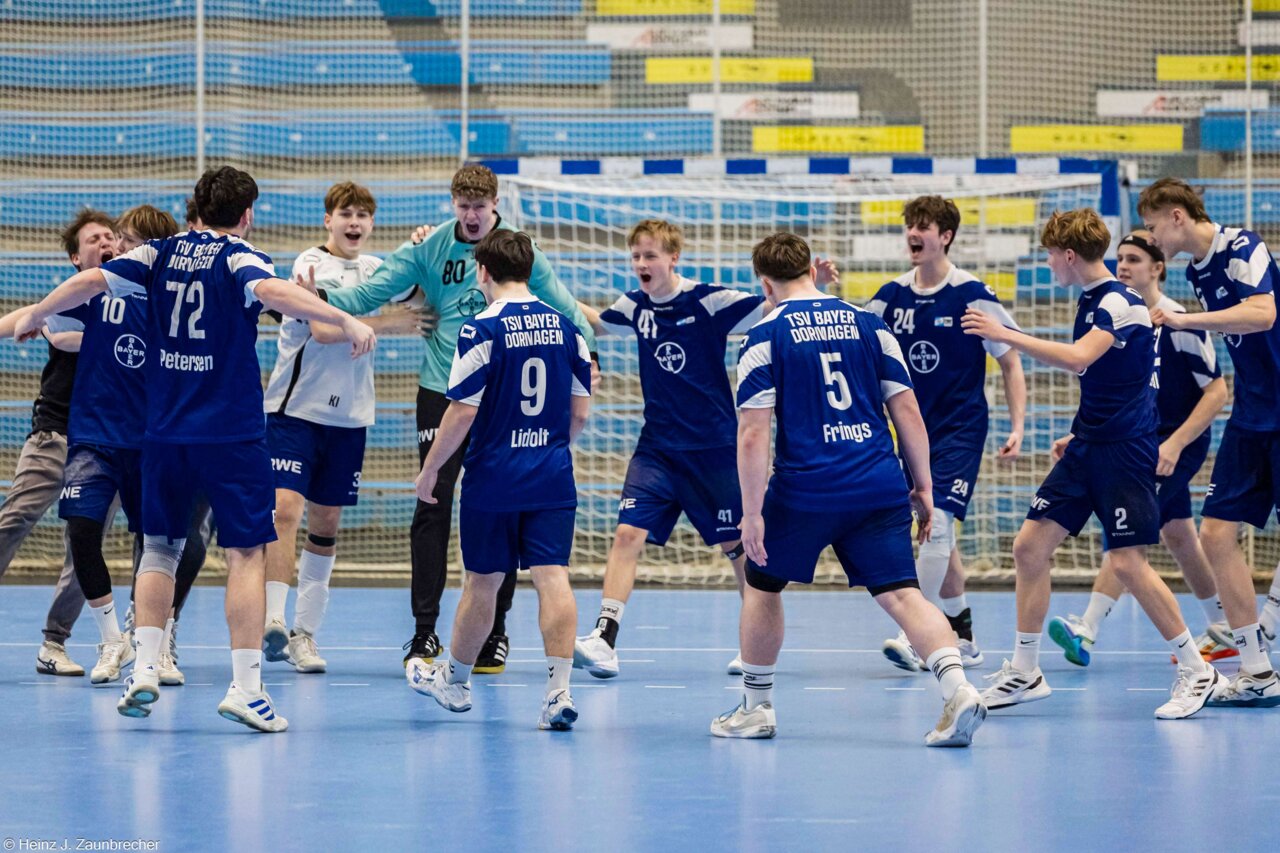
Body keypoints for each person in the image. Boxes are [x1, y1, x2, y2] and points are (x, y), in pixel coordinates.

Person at [14, 166, 377, 732]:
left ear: (196, 208)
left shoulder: (155, 254)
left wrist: (37, 314)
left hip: (163, 434)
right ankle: (247, 689)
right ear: (247, 214)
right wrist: (344, 319)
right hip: (230, 435)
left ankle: (144, 668)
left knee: (159, 549)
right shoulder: (239, 256)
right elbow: (274, 292)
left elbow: (89, 283)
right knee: (246, 554)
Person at [319, 164, 596, 673]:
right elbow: (369, 292)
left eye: (480, 207)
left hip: (500, 398)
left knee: (505, 508)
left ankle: (495, 633)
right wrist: (314, 298)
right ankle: (424, 631)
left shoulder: (517, 251)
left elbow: (566, 308)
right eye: (464, 206)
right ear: (452, 205)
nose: (472, 216)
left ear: (495, 206)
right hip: (443, 391)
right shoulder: (429, 247)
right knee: (431, 504)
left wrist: (590, 356)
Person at [712, 232, 986, 746]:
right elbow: (907, 410)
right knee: (902, 594)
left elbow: (752, 433)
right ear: (811, 271)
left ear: (765, 284)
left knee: (763, 584)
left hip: (806, 489)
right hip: (878, 482)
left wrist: (751, 513)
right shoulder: (871, 324)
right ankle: (959, 690)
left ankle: (756, 707)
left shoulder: (764, 334)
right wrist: (924, 487)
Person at [962, 208, 1220, 719]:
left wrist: (1005, 333)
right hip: (1090, 446)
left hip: (1124, 452)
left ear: (1068, 255)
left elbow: (1080, 358)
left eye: (1049, 255)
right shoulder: (1092, 298)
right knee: (1029, 547)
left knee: (1127, 563)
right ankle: (1025, 670)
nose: (1047, 264)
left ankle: (1197, 669)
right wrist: (1078, 432)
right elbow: (1112, 381)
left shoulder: (1120, 302)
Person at [571, 219, 785, 679]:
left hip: (713, 449)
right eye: (636, 256)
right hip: (658, 449)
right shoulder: (634, 305)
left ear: (673, 258)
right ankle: (604, 639)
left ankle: (755, 646)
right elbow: (601, 324)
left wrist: (814, 284)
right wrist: (550, 294)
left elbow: (769, 306)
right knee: (627, 533)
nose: (641, 264)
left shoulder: (707, 300)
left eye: (650, 255)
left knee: (737, 545)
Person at [406, 230, 592, 730]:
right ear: (528, 271)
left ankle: (456, 682)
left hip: (494, 477)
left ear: (483, 272)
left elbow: (461, 411)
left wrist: (431, 470)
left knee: (483, 581)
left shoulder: (481, 328)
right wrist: (551, 448)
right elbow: (580, 410)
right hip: (551, 474)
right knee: (552, 575)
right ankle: (558, 692)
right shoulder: (568, 327)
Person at [262, 181, 425, 673]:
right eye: (345, 213)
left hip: (349, 418)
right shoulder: (309, 264)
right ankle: (273, 619)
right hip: (295, 411)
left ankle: (304, 635)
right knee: (284, 510)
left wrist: (422, 248)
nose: (354, 222)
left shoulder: (377, 269)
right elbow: (324, 329)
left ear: (371, 223)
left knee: (326, 525)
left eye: (362, 215)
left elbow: (424, 296)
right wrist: (391, 323)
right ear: (328, 220)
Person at [1047, 230, 1231, 666]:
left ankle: (1087, 628)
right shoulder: (1121, 315)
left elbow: (1218, 392)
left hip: (1173, 441)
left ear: (1158, 268)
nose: (1124, 266)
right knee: (1179, 534)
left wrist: (1175, 444)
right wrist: (1082, 435)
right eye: (1121, 258)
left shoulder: (1178, 321)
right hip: (1138, 434)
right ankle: (1222, 625)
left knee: (1126, 542)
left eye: (1134, 259)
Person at [866, 196, 1025, 670]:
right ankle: (963, 637)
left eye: (924, 226)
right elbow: (853, 343)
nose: (913, 233)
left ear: (946, 236)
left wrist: (1018, 425)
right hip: (910, 433)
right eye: (910, 225)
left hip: (960, 429)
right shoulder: (889, 297)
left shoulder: (971, 294)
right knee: (934, 533)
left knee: (938, 524)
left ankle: (913, 634)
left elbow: (1010, 360)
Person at [1139, 178, 1280, 706]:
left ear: (1177, 216)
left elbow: (1263, 313)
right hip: (1252, 412)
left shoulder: (1243, 246)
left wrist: (1186, 318)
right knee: (1216, 534)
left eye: (1153, 226)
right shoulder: (1197, 270)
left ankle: (1270, 617)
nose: (1152, 238)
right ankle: (1257, 670)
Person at [0, 209, 113, 677]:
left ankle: (54, 642)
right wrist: (36, 318)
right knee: (15, 520)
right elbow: (60, 336)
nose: (105, 243)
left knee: (84, 545)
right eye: (94, 239)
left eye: (110, 236)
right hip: (55, 433)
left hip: (102, 442)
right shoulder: (67, 299)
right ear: (76, 257)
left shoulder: (131, 299)